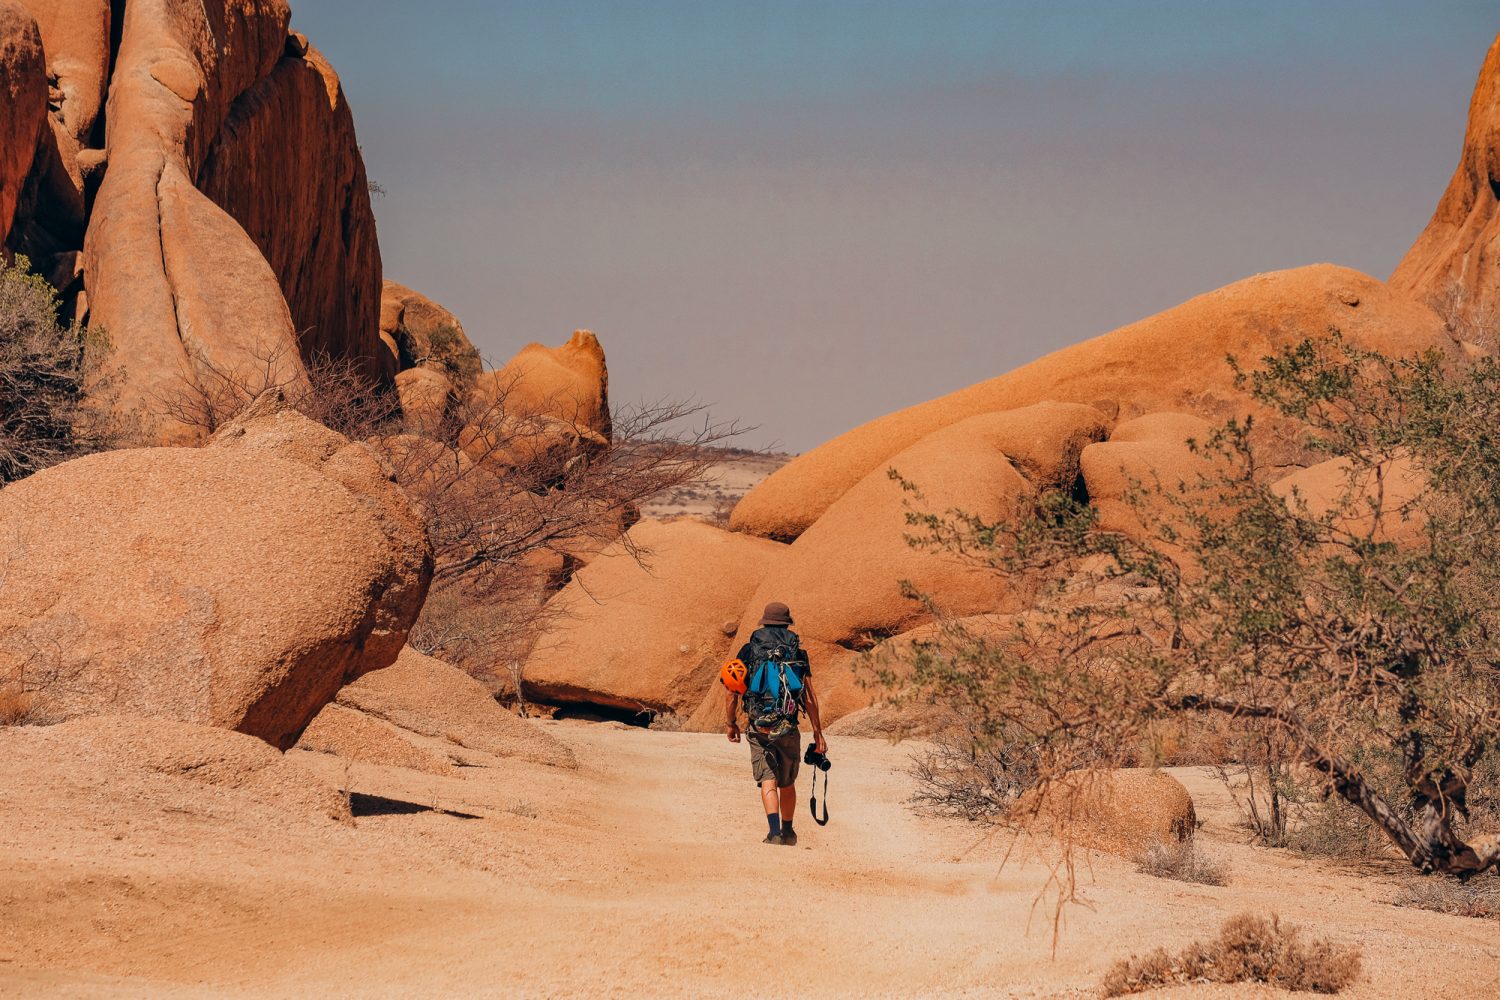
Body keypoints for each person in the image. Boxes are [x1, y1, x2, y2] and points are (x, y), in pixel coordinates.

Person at [725, 601, 826, 846]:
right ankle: (788, 832)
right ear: (787, 623)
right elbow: (809, 696)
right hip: (788, 725)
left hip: (759, 725)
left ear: (764, 622)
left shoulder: (748, 650)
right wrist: (818, 733)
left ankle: (774, 833)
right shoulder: (798, 653)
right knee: (787, 782)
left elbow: (731, 691)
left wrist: (731, 723)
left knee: (767, 778)